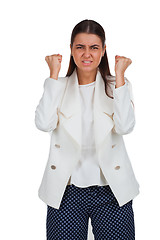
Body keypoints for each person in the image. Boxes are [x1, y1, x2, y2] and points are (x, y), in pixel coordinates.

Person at [35, 19, 140, 240]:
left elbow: (125, 127)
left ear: (103, 51)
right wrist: (53, 75)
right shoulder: (59, 87)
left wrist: (119, 75)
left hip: (111, 189)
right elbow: (44, 123)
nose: (87, 54)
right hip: (66, 191)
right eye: (80, 47)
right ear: (71, 50)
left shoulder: (117, 85)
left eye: (94, 47)